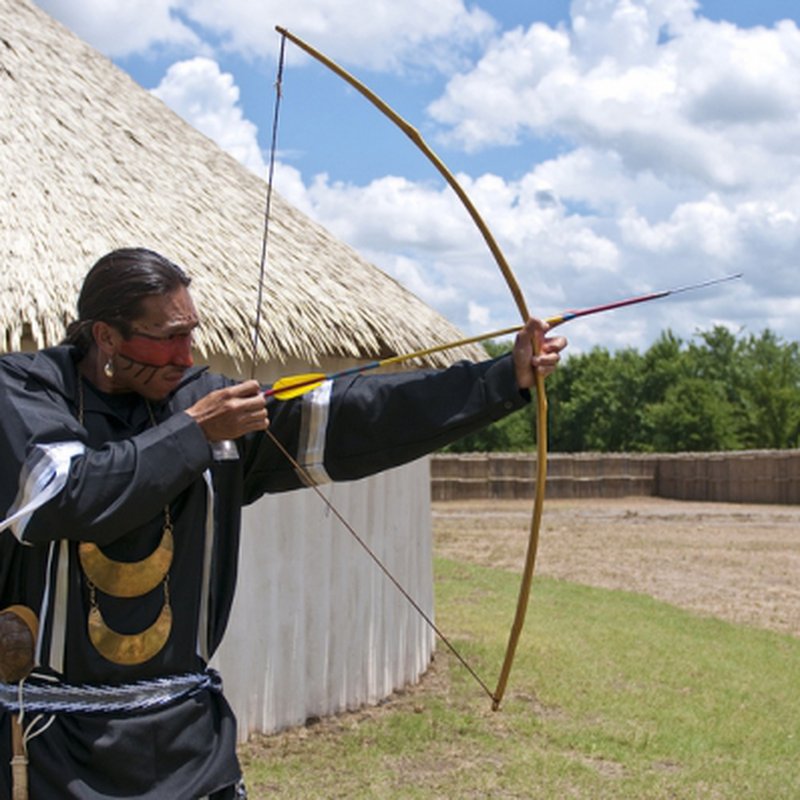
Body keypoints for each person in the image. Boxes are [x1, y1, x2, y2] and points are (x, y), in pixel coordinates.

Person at [0, 248, 567, 799]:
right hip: (53, 747)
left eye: (190, 333)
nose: (184, 353)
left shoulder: (202, 400)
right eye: (167, 336)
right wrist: (197, 433)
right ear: (105, 336)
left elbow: (351, 413)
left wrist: (503, 379)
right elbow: (60, 496)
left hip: (188, 744)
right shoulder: (27, 389)